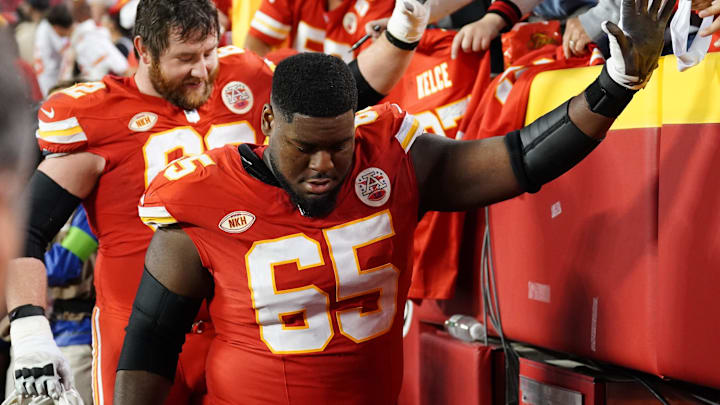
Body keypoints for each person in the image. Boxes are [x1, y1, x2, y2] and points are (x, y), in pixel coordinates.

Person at [115, 0, 673, 403]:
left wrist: (616, 85)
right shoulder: (202, 195)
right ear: (267, 123)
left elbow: (519, 161)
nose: (323, 165)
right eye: (304, 148)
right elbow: (150, 343)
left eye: (337, 147)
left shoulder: (390, 154)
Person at [4, 0, 432, 403]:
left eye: (209, 52)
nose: (203, 69)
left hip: (237, 332)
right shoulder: (100, 115)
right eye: (186, 58)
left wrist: (404, 29)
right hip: (137, 335)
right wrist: (29, 329)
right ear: (143, 51)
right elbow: (27, 228)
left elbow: (351, 89)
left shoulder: (243, 75)